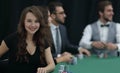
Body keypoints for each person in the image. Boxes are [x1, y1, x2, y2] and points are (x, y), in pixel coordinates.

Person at [0, 6, 55, 73]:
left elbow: (52, 65)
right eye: (29, 21)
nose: (33, 25)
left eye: (36, 21)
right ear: (23, 22)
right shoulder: (12, 39)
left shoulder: (43, 40)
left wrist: (45, 69)